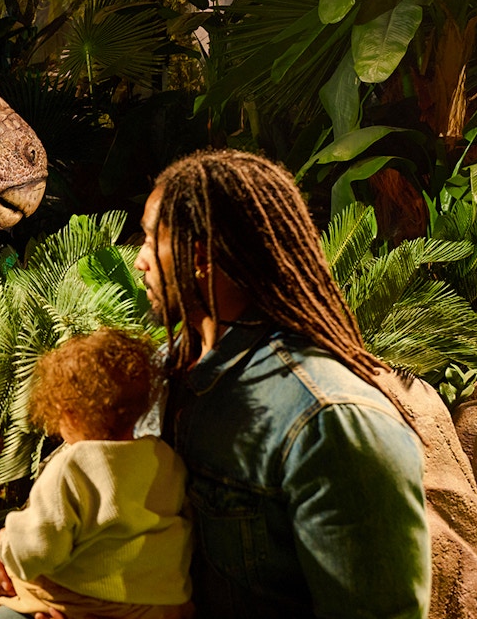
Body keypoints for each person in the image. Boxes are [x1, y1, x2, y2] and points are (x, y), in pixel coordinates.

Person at [131, 149, 431, 618]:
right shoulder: (168, 369)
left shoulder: (330, 422)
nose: (139, 261)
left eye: (152, 239)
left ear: (201, 254)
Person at [0, 328, 193, 619]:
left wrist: (6, 547)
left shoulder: (73, 467)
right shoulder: (164, 459)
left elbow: (38, 548)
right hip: (152, 607)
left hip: (80, 604)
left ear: (69, 412)